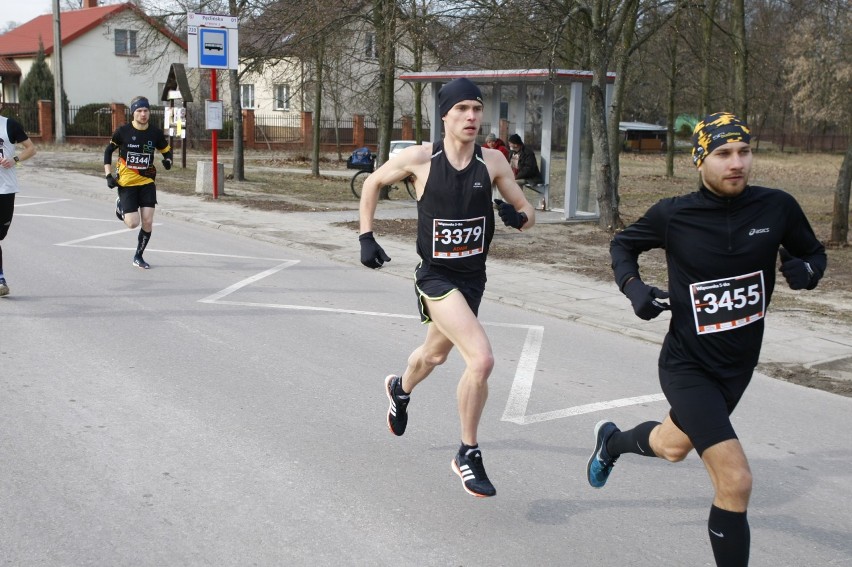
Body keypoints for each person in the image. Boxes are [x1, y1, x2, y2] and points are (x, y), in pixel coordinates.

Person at [590, 112, 827, 566]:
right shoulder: (674, 215)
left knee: (671, 447)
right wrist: (634, 288)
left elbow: (812, 252)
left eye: (743, 151)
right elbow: (623, 245)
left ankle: (612, 442)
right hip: (688, 366)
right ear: (701, 161)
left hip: (737, 369)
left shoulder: (777, 208)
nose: (736, 162)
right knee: (735, 480)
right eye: (722, 154)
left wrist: (809, 271)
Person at [358, 78, 535, 498]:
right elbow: (371, 184)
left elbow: (527, 209)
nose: (472, 116)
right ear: (445, 116)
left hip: (473, 279)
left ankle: (399, 389)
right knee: (482, 359)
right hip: (435, 278)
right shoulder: (420, 159)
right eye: (462, 110)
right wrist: (366, 236)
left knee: (435, 354)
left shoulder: (492, 162)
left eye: (476, 109)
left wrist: (519, 216)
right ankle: (467, 453)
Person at [104, 96, 173, 269]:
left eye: (146, 110)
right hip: (126, 183)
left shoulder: (155, 133)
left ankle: (138, 256)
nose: (143, 114)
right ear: (133, 113)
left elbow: (167, 151)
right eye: (139, 111)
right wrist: (108, 175)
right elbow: (108, 151)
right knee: (132, 223)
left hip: (147, 182)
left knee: (148, 222)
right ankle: (120, 204)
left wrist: (168, 161)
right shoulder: (123, 132)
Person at [0, 114, 37, 297]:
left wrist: (14, 160)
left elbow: (31, 149)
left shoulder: (9, 124)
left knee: (0, 235)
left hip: (6, 188)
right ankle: (0, 279)